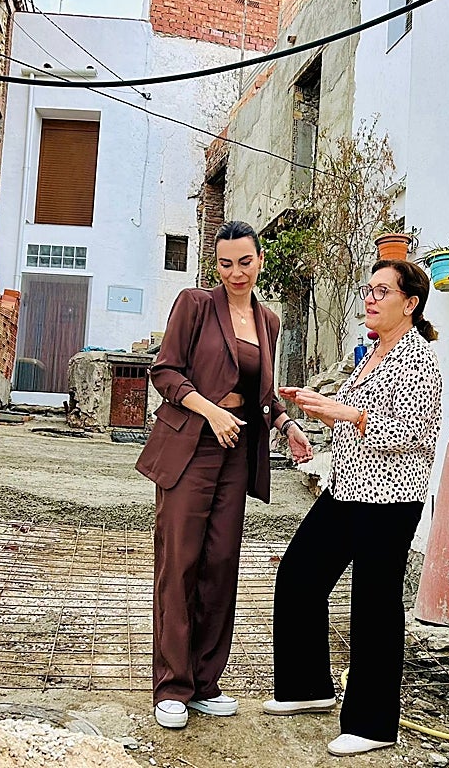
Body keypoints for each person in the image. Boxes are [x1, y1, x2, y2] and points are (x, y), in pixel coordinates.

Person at [136, 220, 313, 730]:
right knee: (180, 562)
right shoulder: (194, 305)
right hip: (192, 446)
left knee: (221, 565)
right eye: (225, 262)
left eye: (245, 261)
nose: (236, 272)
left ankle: (205, 682)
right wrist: (209, 411)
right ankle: (172, 685)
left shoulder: (269, 322)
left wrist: (286, 425)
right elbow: (165, 371)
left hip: (238, 452)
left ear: (259, 262)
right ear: (215, 265)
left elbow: (263, 394)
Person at [266, 259, 443, 757]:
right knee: (299, 575)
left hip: (389, 497)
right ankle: (308, 689)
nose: (370, 297)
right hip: (347, 486)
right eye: (369, 289)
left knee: (374, 602)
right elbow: (358, 419)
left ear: (409, 304)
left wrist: (347, 412)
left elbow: (412, 433)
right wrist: (320, 409)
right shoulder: (372, 354)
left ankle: (374, 723)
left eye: (382, 291)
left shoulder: (418, 360)